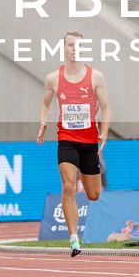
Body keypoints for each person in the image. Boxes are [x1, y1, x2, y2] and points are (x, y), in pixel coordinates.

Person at [35, 29, 110, 257]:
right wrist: (43, 123)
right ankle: (74, 239)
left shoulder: (95, 76)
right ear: (64, 48)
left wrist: (103, 132)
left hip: (88, 141)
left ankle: (76, 233)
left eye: (78, 46)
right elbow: (46, 103)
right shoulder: (53, 79)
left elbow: (106, 106)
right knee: (68, 186)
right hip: (66, 139)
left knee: (93, 194)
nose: (74, 49)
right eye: (70, 45)